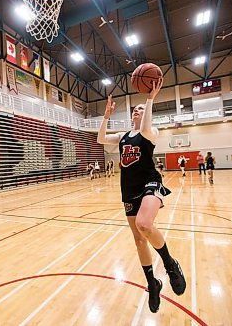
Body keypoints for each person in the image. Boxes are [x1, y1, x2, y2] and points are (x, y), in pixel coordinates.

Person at [97, 79, 186, 313]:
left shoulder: (151, 132)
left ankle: (169, 263)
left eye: (141, 110)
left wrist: (150, 99)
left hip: (150, 182)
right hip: (128, 188)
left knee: (144, 224)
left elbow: (146, 129)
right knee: (138, 239)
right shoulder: (122, 136)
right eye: (135, 109)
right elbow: (100, 140)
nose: (137, 111)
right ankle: (152, 283)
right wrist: (106, 116)